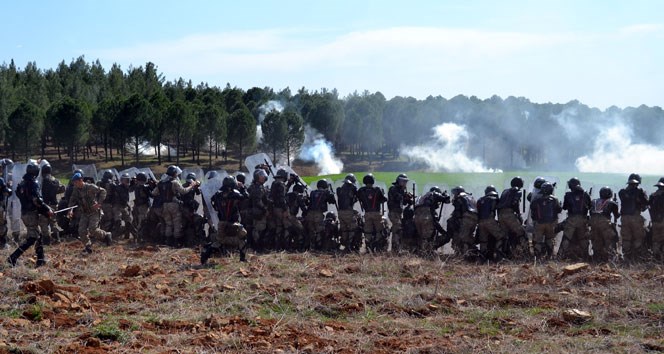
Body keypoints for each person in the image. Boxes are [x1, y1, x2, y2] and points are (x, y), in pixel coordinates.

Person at [7, 162, 53, 267]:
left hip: (24, 213)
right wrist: (47, 209)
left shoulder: (22, 183)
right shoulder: (33, 183)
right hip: (31, 214)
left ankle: (41, 259)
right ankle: (13, 257)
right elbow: (37, 200)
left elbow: (23, 197)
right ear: (36, 172)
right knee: (32, 238)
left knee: (38, 235)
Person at [201, 176, 248, 264]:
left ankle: (205, 254)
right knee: (243, 237)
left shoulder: (218, 194)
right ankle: (242, 258)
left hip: (221, 222)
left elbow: (213, 202)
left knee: (220, 241)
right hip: (233, 222)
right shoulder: (234, 194)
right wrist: (242, 187)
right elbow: (245, 196)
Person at [152, 165, 199, 247]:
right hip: (173, 205)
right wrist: (192, 185)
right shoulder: (174, 182)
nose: (177, 175)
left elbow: (154, 193)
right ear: (174, 173)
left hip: (164, 205)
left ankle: (167, 241)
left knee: (168, 224)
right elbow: (183, 191)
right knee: (177, 223)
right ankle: (176, 242)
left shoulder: (161, 182)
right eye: (176, 173)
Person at [68, 173, 113, 254]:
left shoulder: (90, 187)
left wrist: (99, 203)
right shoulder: (76, 189)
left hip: (94, 212)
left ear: (81, 180)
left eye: (76, 182)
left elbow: (103, 191)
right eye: (74, 182)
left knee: (93, 229)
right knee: (81, 231)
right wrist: (70, 210)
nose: (75, 184)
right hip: (84, 213)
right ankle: (88, 246)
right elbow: (72, 200)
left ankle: (106, 235)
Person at [558, 177, 592, 261]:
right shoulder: (586, 194)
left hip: (571, 219)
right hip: (583, 219)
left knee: (566, 238)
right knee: (583, 239)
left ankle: (560, 256)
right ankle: (585, 257)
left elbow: (565, 207)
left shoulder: (568, 195)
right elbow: (590, 207)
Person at [618, 173, 649, 261]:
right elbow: (645, 204)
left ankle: (627, 258)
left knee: (626, 239)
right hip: (635, 217)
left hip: (624, 218)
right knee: (638, 238)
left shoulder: (622, 192)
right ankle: (637, 258)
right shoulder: (640, 191)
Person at [497, 176, 529, 259]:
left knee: (505, 236)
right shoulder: (518, 191)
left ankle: (502, 254)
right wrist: (518, 214)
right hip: (509, 214)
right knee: (522, 233)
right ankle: (526, 254)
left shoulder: (504, 191)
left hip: (500, 214)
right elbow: (515, 203)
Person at [413, 186, 450, 254]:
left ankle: (421, 251)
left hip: (416, 218)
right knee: (428, 237)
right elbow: (446, 199)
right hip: (426, 217)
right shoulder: (433, 193)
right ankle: (428, 251)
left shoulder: (421, 198)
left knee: (421, 236)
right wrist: (444, 233)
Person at [530, 182, 562, 258]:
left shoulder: (537, 199)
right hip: (551, 223)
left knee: (538, 240)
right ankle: (549, 256)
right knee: (550, 239)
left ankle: (537, 256)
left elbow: (532, 208)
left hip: (539, 223)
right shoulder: (555, 199)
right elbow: (559, 210)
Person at [357, 174, 388, 253]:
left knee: (368, 231)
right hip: (377, 213)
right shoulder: (377, 190)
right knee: (379, 230)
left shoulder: (361, 190)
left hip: (367, 214)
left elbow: (358, 197)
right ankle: (378, 245)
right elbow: (383, 199)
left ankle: (368, 246)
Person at [589, 186, 620, 262]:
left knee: (596, 241)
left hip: (593, 224)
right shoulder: (612, 202)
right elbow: (617, 215)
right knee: (610, 241)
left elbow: (590, 212)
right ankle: (611, 260)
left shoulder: (593, 201)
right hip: (605, 224)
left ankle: (597, 258)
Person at [305, 179, 337, 251]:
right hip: (318, 213)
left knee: (311, 230)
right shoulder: (325, 193)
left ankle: (311, 246)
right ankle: (319, 246)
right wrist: (331, 193)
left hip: (309, 213)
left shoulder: (313, 192)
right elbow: (332, 201)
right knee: (319, 230)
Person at [476, 185, 506, 261]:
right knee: (501, 237)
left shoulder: (480, 200)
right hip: (490, 220)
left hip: (480, 222)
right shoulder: (494, 198)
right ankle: (498, 256)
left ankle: (483, 258)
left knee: (483, 241)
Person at [38, 163, 65, 245]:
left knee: (44, 223)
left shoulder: (42, 181)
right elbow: (62, 188)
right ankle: (57, 239)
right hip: (54, 204)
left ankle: (46, 241)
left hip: (44, 205)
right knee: (53, 222)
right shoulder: (56, 180)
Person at [387, 173, 413, 254]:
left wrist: (409, 200)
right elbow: (398, 197)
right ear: (398, 181)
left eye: (406, 181)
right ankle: (395, 249)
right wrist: (405, 195)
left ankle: (397, 248)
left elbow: (404, 202)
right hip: (393, 212)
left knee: (398, 229)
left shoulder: (401, 190)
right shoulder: (393, 188)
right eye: (403, 181)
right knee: (397, 228)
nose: (405, 183)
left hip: (398, 213)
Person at [449, 186, 479, 257]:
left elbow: (457, 211)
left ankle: (465, 255)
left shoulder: (460, 197)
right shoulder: (471, 197)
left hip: (466, 217)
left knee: (463, 237)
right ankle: (472, 252)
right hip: (475, 218)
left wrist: (455, 220)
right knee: (469, 235)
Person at [336, 174, 360, 253]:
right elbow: (356, 197)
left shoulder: (340, 189)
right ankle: (350, 245)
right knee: (353, 229)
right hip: (348, 211)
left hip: (340, 212)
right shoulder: (352, 188)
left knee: (344, 229)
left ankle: (345, 245)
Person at [247, 169, 270, 252]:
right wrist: (265, 209)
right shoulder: (258, 188)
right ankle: (258, 248)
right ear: (257, 177)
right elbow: (258, 201)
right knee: (259, 230)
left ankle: (257, 247)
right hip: (258, 212)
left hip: (255, 211)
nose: (264, 177)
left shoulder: (257, 186)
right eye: (261, 175)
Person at [269, 168, 291, 250]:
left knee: (278, 226)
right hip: (281, 209)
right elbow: (282, 198)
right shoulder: (281, 184)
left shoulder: (274, 183)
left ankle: (276, 246)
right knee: (287, 227)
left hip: (274, 208)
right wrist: (285, 209)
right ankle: (286, 246)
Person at [111, 173, 136, 240]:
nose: (126, 181)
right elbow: (123, 197)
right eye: (125, 180)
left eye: (127, 180)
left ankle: (128, 236)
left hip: (124, 206)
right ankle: (114, 236)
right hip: (117, 206)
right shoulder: (118, 187)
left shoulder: (127, 187)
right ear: (121, 180)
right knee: (118, 220)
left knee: (128, 221)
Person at [131, 172, 153, 240]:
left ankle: (136, 236)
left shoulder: (134, 187)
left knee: (136, 221)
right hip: (143, 206)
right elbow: (152, 195)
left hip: (135, 205)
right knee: (142, 222)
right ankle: (140, 237)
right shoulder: (144, 187)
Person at [648, 178, 664, 261]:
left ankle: (655, 258)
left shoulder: (652, 195)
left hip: (654, 222)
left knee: (656, 241)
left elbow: (648, 207)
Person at [0, 176, 12, 248]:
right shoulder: (0, 180)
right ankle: (2, 243)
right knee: (2, 224)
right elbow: (6, 191)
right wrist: (8, 188)